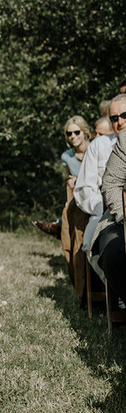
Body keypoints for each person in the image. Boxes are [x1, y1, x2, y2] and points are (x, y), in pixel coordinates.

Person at [90, 102, 126, 303]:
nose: (119, 121)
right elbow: (111, 183)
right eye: (115, 117)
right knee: (113, 251)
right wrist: (124, 217)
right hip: (121, 219)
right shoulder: (125, 141)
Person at [33, 114, 91, 236]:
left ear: (84, 132)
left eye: (76, 132)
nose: (73, 136)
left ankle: (57, 225)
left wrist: (78, 180)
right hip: (80, 195)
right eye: (69, 134)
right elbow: (71, 179)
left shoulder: (95, 149)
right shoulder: (66, 157)